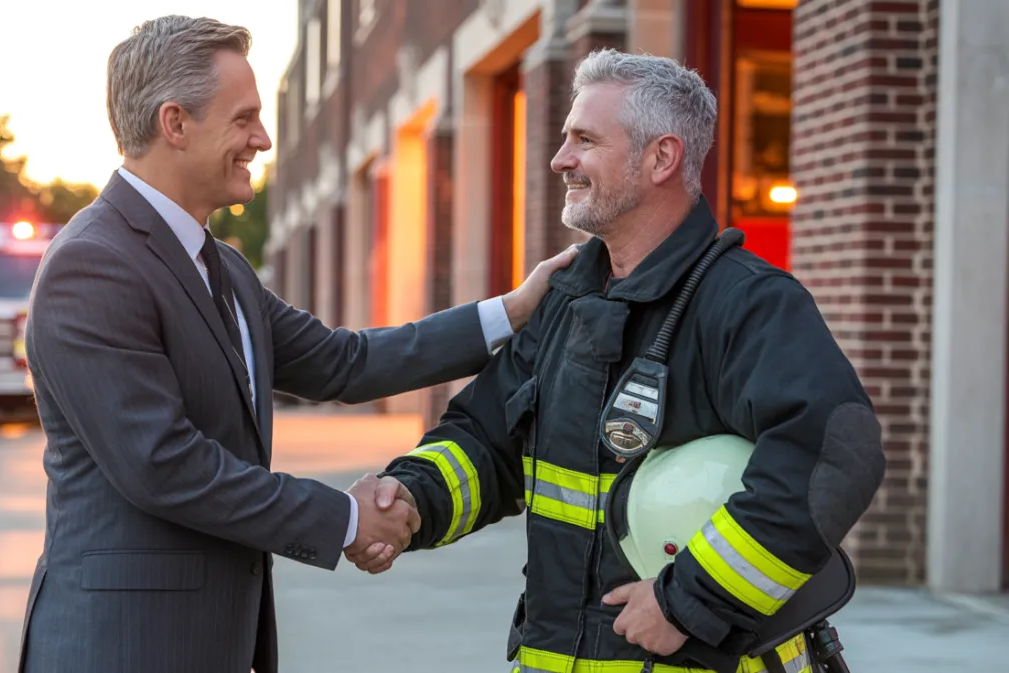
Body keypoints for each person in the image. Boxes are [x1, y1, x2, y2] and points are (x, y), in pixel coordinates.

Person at [16, 15, 577, 673]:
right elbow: (165, 464)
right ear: (175, 124)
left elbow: (345, 360)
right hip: (121, 644)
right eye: (243, 118)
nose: (263, 138)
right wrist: (345, 518)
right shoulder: (94, 265)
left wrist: (512, 311)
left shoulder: (223, 267)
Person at [349, 49, 886, 673]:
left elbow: (833, 455)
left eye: (584, 140)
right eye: (564, 138)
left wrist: (690, 601)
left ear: (661, 158)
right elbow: (484, 439)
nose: (560, 159)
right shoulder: (566, 298)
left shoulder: (746, 303)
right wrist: (409, 500)